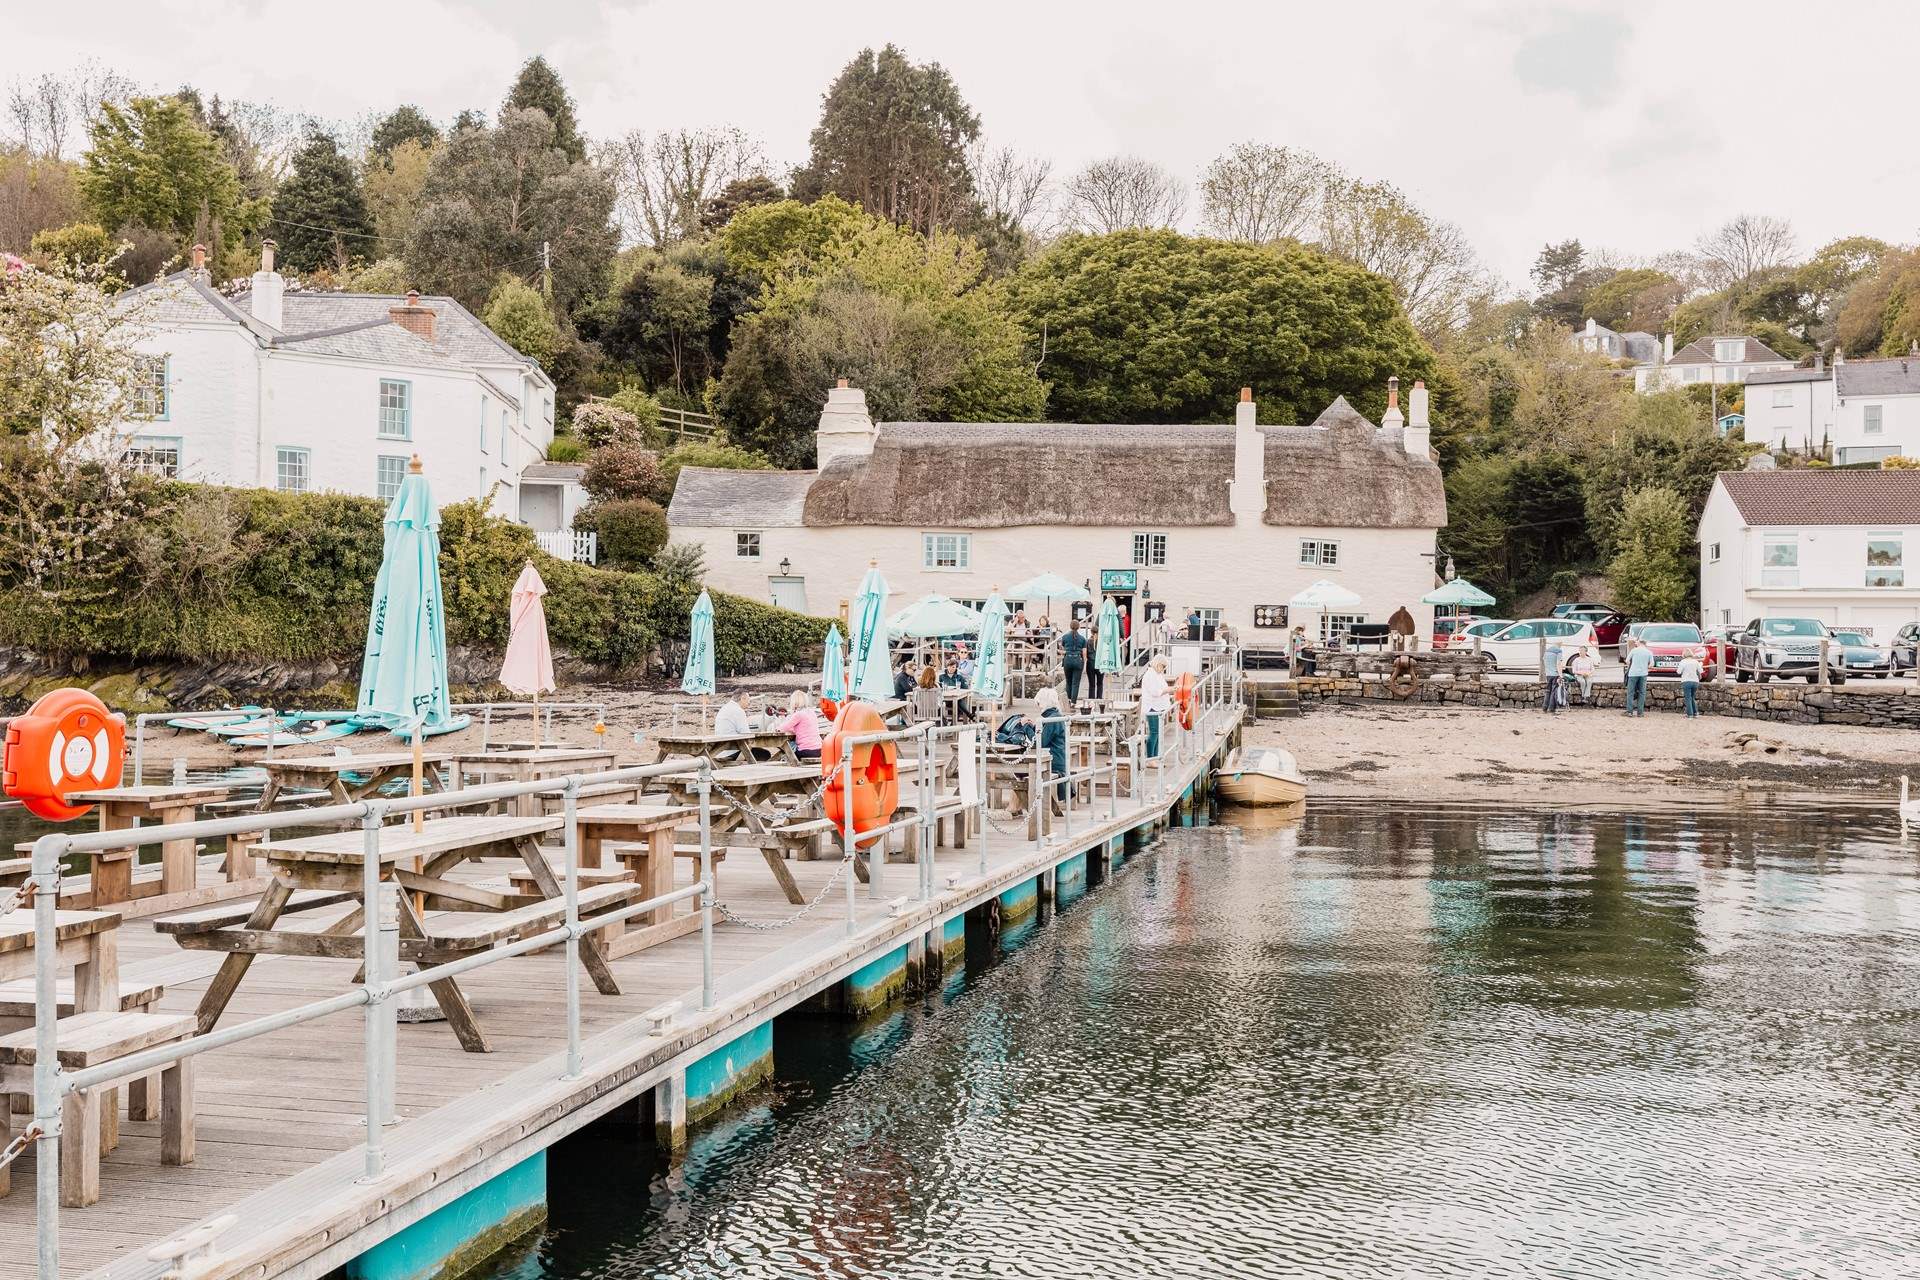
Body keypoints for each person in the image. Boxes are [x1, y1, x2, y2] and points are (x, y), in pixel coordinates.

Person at [1036, 686, 1067, 815]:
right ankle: (1015, 806)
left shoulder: (1051, 719)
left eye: (1038, 703)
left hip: (1053, 762)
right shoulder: (1055, 716)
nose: (1037, 706)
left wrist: (1027, 728)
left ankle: (1015, 807)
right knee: (1024, 774)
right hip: (1058, 759)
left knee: (1024, 775)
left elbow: (1041, 742)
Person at [773, 690, 823, 760]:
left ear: (795, 703)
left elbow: (783, 728)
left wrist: (777, 728)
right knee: (789, 745)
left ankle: (781, 760)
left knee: (782, 744)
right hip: (819, 750)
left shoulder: (798, 714)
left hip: (805, 751)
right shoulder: (812, 712)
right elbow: (800, 728)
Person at [1139, 656, 1171, 759]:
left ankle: (1155, 757)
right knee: (1154, 732)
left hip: (1157, 706)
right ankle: (1150, 758)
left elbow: (1162, 688)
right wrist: (1169, 690)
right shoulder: (1150, 675)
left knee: (1158, 733)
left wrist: (1169, 690)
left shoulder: (1157, 674)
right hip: (1152, 707)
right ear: (1158, 664)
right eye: (1163, 666)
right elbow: (1155, 692)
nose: (1164, 669)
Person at [1061, 618, 1089, 706]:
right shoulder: (1082, 639)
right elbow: (1084, 653)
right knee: (1075, 683)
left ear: (1070, 626)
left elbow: (1063, 648)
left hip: (1067, 660)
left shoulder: (1065, 637)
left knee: (1068, 681)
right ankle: (1073, 702)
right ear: (1078, 627)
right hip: (1078, 660)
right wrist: (1084, 663)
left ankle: (1068, 700)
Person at [1623, 637, 1652, 716]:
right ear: (1645, 644)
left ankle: (1629, 711)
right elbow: (1652, 664)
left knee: (1630, 692)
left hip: (1633, 673)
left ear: (1639, 643)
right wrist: (1646, 668)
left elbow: (1627, 660)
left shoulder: (1634, 650)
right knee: (1642, 693)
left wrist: (1631, 665)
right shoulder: (1649, 652)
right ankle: (1640, 712)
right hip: (1643, 673)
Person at [1678, 646, 1704, 718]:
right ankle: (1695, 713)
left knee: (1688, 698)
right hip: (1695, 681)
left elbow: (1678, 672)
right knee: (1692, 697)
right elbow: (1701, 671)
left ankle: (1690, 714)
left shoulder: (1683, 662)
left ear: (1684, 654)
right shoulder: (1695, 662)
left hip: (1686, 681)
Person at [1542, 638, 1565, 712]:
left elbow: (1544, 660)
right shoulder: (1558, 651)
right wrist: (1561, 675)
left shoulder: (1547, 651)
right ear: (1560, 644)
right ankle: (1551, 708)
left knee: (1548, 690)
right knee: (1554, 691)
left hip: (1548, 674)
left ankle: (1545, 707)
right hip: (1555, 674)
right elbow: (1559, 664)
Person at [1086, 623, 1106, 702]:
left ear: (1091, 632)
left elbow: (1085, 653)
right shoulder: (1102, 642)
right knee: (1100, 683)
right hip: (1100, 664)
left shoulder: (1087, 641)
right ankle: (1099, 699)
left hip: (1090, 664)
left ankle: (1091, 701)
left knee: (1091, 684)